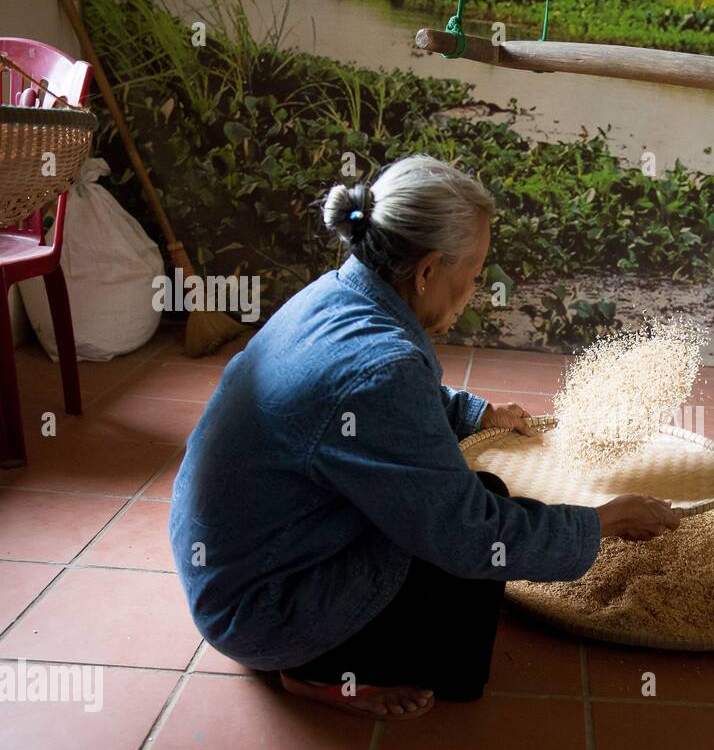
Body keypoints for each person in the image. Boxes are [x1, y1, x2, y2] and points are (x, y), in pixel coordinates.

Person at [169, 155, 681, 720]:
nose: (476, 290)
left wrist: (474, 413)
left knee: (468, 498)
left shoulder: (337, 293)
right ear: (428, 270)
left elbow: (366, 411)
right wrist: (604, 521)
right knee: (472, 568)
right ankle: (316, 671)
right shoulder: (382, 368)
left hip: (231, 565)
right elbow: (468, 532)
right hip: (263, 608)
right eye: (477, 273)